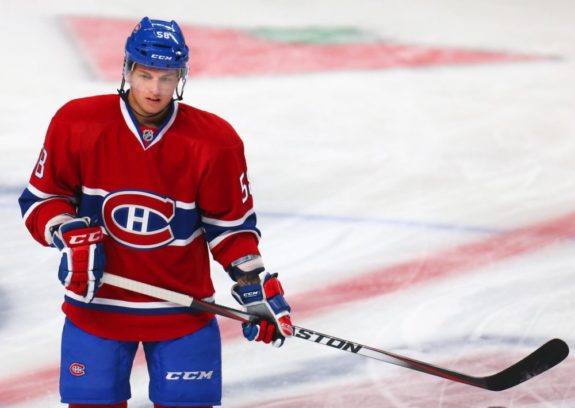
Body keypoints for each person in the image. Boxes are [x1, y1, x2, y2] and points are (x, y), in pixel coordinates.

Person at [18, 17, 293, 408]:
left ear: (181, 76)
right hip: (96, 311)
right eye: (145, 75)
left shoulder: (215, 141)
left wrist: (254, 285)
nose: (155, 89)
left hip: (182, 312)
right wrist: (67, 232)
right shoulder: (77, 123)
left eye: (167, 77)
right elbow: (42, 200)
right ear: (127, 69)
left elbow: (230, 228)